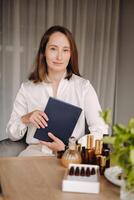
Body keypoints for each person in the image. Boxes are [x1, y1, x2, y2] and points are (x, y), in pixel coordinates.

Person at [6, 25, 108, 157]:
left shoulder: (84, 87)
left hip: (71, 155)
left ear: (71, 54)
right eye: (53, 49)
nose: (59, 57)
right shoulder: (27, 88)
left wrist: (70, 147)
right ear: (44, 51)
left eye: (65, 50)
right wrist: (26, 118)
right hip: (35, 153)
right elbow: (12, 134)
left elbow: (100, 130)